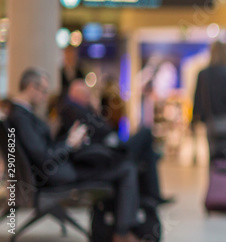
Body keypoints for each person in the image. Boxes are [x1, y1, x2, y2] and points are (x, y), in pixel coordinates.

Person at [5, 68, 141, 242]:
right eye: (44, 91)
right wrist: (69, 144)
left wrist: (68, 141)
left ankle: (117, 229)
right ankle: (121, 234)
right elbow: (44, 158)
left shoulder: (18, 115)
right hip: (59, 175)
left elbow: (43, 151)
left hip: (57, 170)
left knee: (116, 163)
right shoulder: (21, 118)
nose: (46, 96)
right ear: (32, 87)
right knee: (126, 169)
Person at [57, 79, 169, 205]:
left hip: (108, 148)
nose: (88, 97)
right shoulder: (72, 109)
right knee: (146, 133)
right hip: (107, 152)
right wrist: (96, 110)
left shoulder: (80, 109)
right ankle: (152, 194)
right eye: (85, 94)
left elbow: (104, 127)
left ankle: (152, 195)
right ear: (75, 94)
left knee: (148, 153)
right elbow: (102, 128)